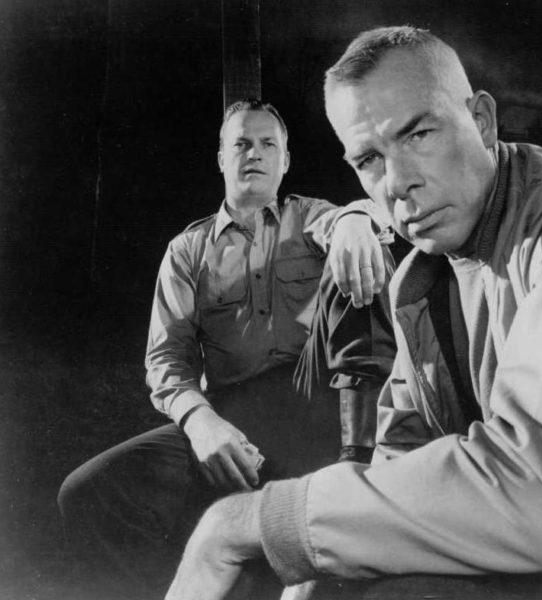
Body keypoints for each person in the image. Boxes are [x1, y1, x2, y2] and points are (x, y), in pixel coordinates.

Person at [165, 28, 542, 600]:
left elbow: (537, 498)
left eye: (419, 134)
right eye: (369, 159)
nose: (398, 182)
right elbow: (404, 466)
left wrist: (261, 522)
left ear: (481, 120)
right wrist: (319, 565)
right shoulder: (423, 281)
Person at [57, 98, 396, 599]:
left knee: (360, 251)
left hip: (318, 402)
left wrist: (355, 222)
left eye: (267, 144)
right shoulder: (187, 251)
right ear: (221, 158)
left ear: (285, 159)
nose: (254, 153)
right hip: (234, 418)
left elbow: (358, 215)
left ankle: (358, 460)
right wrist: (202, 424)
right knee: (88, 491)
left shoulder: (312, 218)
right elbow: (166, 360)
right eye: (241, 144)